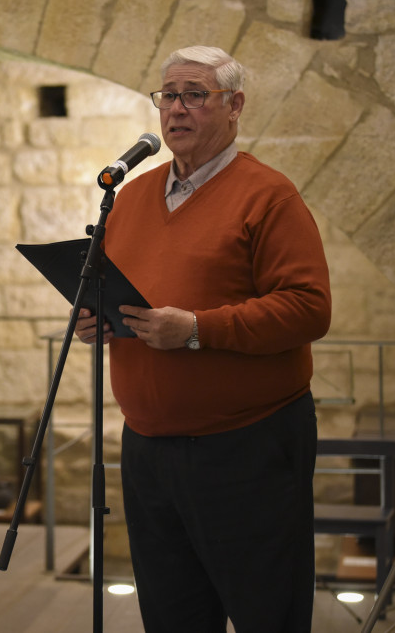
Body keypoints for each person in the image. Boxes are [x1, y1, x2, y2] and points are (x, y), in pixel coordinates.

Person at [76, 46, 332, 632]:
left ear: (234, 106)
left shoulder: (269, 196)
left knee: (267, 612)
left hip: (248, 447)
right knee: (173, 615)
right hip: (148, 450)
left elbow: (308, 309)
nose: (177, 109)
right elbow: (119, 293)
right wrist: (97, 322)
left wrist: (196, 330)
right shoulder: (131, 197)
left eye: (195, 94)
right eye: (169, 95)